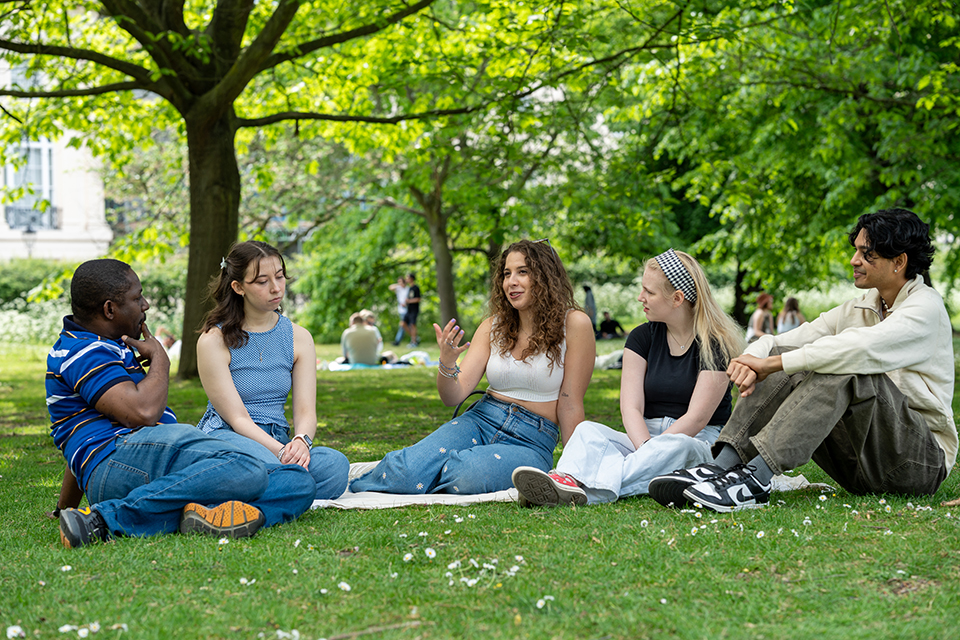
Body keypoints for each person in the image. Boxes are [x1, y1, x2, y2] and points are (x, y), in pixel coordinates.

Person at [651, 209, 956, 512]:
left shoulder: (925, 309)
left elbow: (857, 349)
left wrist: (772, 365)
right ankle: (721, 467)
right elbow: (784, 341)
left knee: (842, 365)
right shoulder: (859, 307)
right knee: (789, 357)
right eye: (856, 251)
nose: (854, 261)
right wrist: (752, 358)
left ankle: (755, 481)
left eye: (867, 254)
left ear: (899, 261)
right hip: (860, 466)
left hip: (918, 464)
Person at [48, 259, 316, 548]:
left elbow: (78, 439)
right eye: (137, 298)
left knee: (298, 482)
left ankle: (217, 517)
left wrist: (65, 508)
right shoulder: (84, 351)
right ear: (110, 309)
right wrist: (161, 359)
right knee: (245, 466)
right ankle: (104, 520)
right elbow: (143, 413)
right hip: (125, 460)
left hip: (140, 461)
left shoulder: (106, 345)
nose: (146, 305)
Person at [350, 239, 595, 495]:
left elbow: (570, 403)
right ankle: (407, 471)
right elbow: (452, 396)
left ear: (545, 277)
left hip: (532, 439)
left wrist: (572, 471)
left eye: (523, 271)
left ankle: (442, 471)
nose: (511, 281)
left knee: (465, 474)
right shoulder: (493, 326)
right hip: (481, 419)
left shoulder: (574, 324)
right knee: (406, 472)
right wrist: (446, 362)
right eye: (506, 273)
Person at [511, 249, 744, 506]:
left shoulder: (714, 345)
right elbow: (631, 407)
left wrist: (653, 450)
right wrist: (645, 447)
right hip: (642, 436)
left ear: (677, 298)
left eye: (649, 292)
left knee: (677, 448)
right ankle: (565, 478)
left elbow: (696, 419)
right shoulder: (641, 337)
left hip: (695, 440)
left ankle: (584, 491)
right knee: (587, 430)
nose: (640, 297)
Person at [196, 241, 349, 501]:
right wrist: (280, 453)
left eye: (279, 277)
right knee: (260, 467)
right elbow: (238, 419)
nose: (276, 287)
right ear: (238, 287)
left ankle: (262, 488)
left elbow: (305, 412)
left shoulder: (299, 338)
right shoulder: (214, 340)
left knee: (336, 466)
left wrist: (301, 442)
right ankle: (285, 485)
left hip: (278, 438)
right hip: (229, 436)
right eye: (262, 281)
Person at [388, 277, 409, 345]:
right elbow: (390, 287)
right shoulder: (398, 288)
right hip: (401, 310)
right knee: (403, 325)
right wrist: (399, 284)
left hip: (408, 309)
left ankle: (415, 339)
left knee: (407, 325)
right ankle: (398, 340)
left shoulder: (407, 288)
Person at [404, 273, 422, 347]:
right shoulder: (409, 288)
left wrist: (409, 301)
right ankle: (415, 337)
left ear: (411, 279)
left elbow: (418, 299)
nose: (406, 279)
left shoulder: (416, 288)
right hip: (409, 310)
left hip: (414, 310)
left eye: (407, 278)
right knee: (403, 323)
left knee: (412, 325)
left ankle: (414, 342)